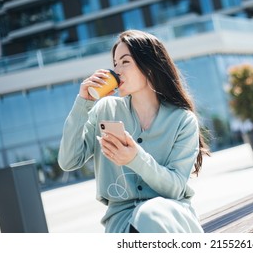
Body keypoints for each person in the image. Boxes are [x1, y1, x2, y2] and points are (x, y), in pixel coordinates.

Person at [58, 30, 210, 233]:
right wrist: (83, 103)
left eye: (125, 62)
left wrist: (135, 158)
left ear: (149, 66)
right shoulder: (106, 109)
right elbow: (69, 161)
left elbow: (175, 188)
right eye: (115, 64)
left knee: (149, 215)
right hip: (122, 223)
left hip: (169, 217)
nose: (116, 70)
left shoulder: (182, 120)